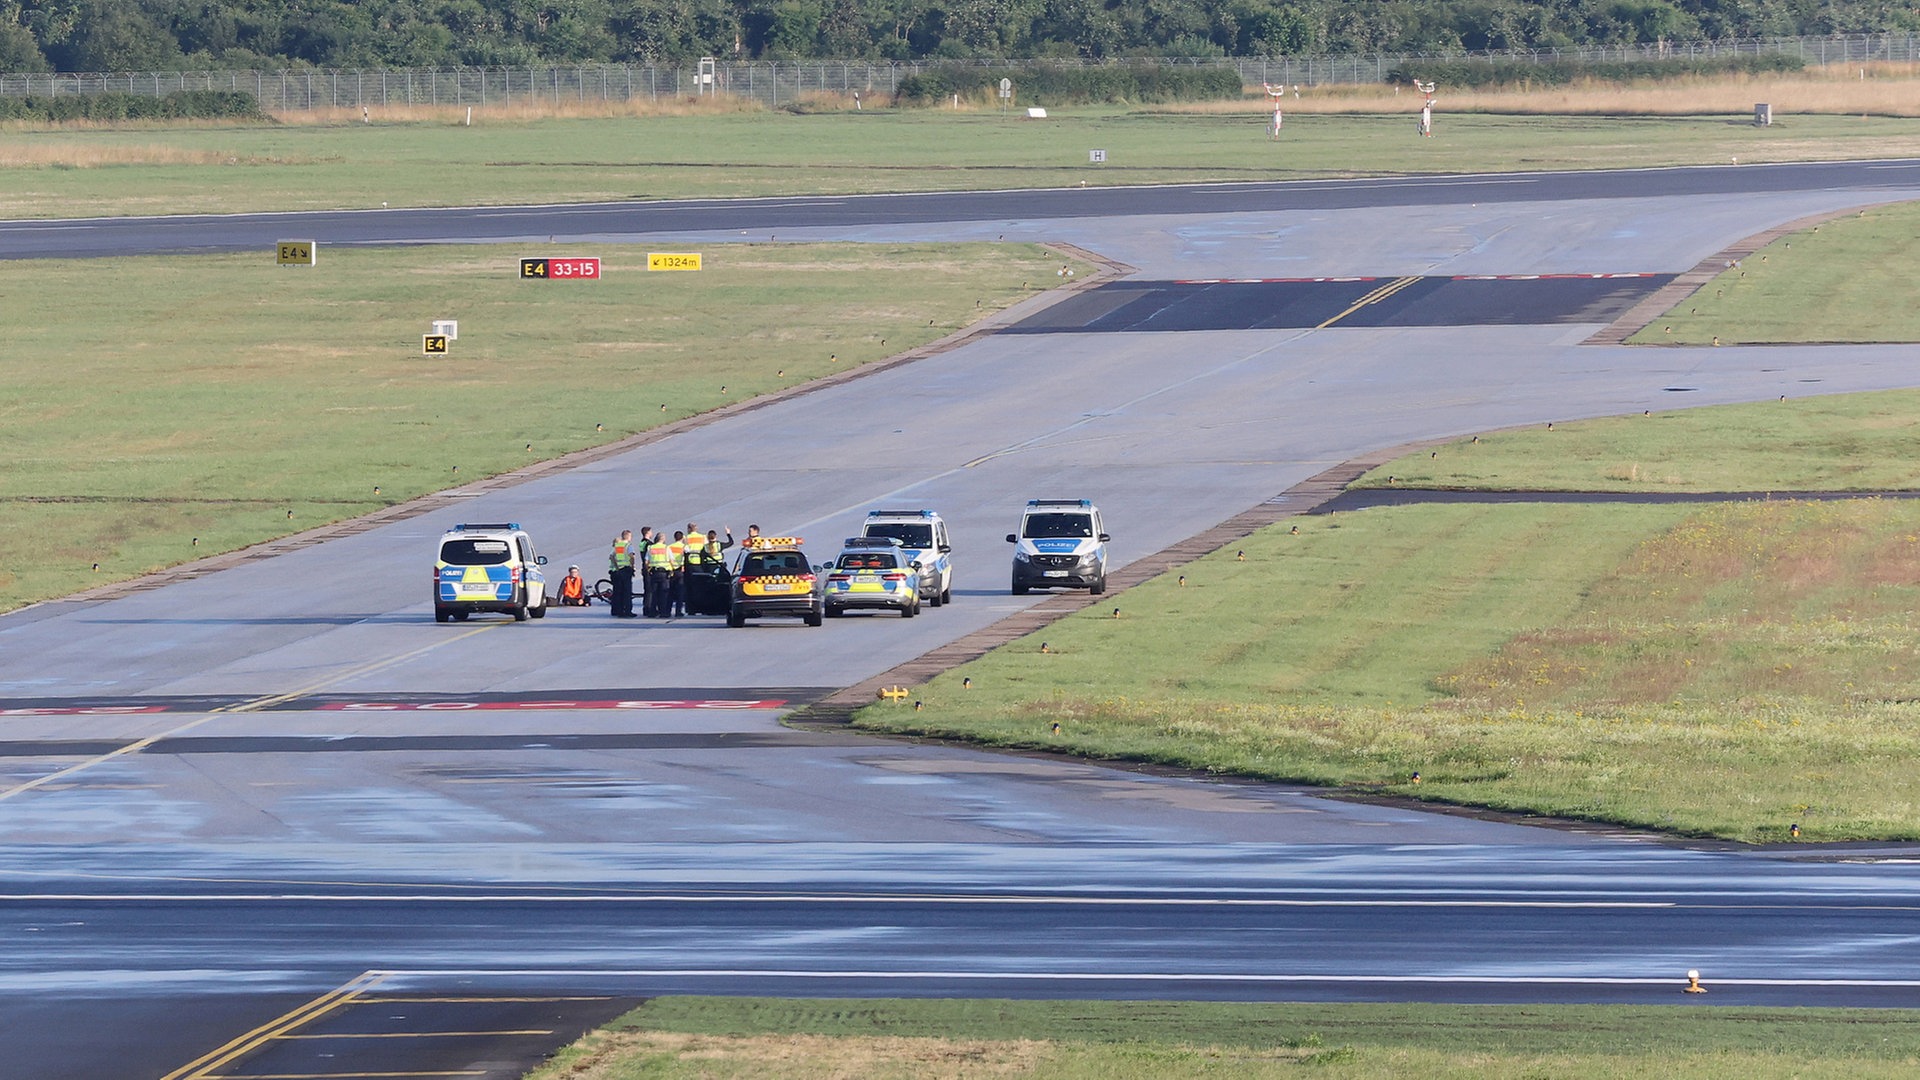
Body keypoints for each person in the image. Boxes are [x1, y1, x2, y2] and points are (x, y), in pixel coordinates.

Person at [644, 527, 675, 618]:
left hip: (654, 573)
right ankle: (663, 612)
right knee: (664, 593)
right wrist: (672, 570)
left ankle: (653, 612)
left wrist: (648, 570)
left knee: (654, 592)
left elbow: (646, 562)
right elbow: (671, 561)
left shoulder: (650, 548)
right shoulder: (666, 548)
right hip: (664, 573)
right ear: (663, 539)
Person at [608, 531, 636, 618]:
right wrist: (632, 566)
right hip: (626, 569)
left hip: (618, 571)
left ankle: (619, 610)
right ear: (628, 536)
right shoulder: (628, 545)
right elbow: (631, 556)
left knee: (618, 591)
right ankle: (628, 610)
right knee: (627, 592)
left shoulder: (617, 546)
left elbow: (612, 556)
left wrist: (617, 567)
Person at [668, 530, 690, 616]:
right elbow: (688, 555)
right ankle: (678, 611)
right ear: (682, 538)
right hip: (681, 570)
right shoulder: (684, 546)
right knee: (680, 592)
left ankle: (667, 610)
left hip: (671, 570)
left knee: (670, 592)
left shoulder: (669, 547)